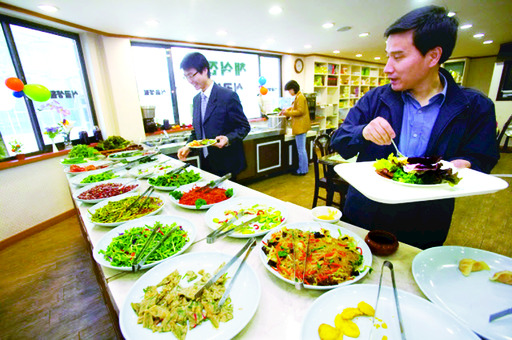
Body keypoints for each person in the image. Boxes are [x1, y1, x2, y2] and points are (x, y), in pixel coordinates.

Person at [330, 5, 500, 249]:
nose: (387, 67)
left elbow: (483, 156)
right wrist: (363, 131)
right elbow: (339, 141)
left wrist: (464, 165)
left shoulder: (475, 106)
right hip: (365, 215)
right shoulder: (375, 99)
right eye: (388, 56)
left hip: (427, 222)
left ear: (433, 56)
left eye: (398, 57)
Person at [177, 52, 251, 179]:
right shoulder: (196, 100)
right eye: (186, 77)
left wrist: (228, 139)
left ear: (205, 70)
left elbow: (244, 127)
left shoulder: (227, 96)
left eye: (191, 75)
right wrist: (188, 146)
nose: (190, 81)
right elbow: (197, 131)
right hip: (206, 163)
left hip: (227, 163)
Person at [280, 80, 311, 176]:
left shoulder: (300, 97)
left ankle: (302, 170)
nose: (289, 92)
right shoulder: (298, 96)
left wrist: (287, 113)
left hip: (300, 127)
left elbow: (300, 111)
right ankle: (303, 169)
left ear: (293, 89)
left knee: (301, 150)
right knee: (302, 149)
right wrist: (287, 110)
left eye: (289, 90)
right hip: (300, 126)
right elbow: (294, 108)